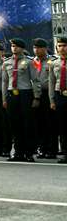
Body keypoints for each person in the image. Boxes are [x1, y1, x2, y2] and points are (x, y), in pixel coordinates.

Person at [2, 38, 41, 162]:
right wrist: (4, 98)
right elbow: (4, 82)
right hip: (11, 95)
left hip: (25, 94)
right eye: (12, 46)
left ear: (22, 48)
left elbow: (35, 80)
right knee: (14, 124)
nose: (14, 48)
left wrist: (36, 96)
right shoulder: (6, 62)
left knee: (27, 124)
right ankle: (18, 152)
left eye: (16, 46)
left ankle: (29, 153)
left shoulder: (29, 62)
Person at [32, 38, 57, 159]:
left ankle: (52, 150)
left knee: (50, 123)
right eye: (34, 48)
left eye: (38, 48)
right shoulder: (32, 62)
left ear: (45, 48)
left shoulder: (52, 61)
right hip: (36, 95)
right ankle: (42, 148)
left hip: (49, 94)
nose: (36, 50)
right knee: (39, 123)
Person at [47, 36, 67, 164]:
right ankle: (65, 153)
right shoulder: (54, 63)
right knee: (63, 126)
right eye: (59, 46)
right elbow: (51, 82)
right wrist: (52, 100)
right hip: (60, 96)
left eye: (64, 45)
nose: (62, 48)